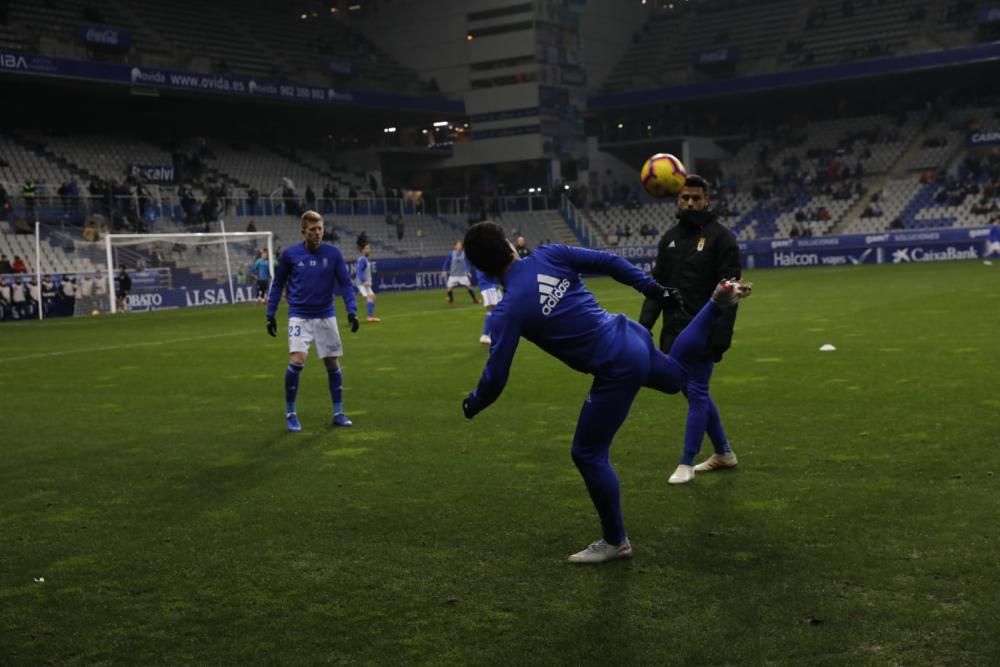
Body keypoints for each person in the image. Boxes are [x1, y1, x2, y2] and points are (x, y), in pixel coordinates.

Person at [461, 221, 751, 563]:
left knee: (587, 453)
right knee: (677, 377)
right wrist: (653, 289)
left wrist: (473, 403)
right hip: (629, 334)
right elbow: (609, 262)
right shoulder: (550, 254)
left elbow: (495, 379)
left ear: (481, 267)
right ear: (510, 244)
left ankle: (615, 541)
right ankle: (716, 302)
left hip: (616, 366)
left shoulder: (508, 312)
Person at [639, 175, 743, 485]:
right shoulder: (669, 238)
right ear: (677, 199)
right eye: (685, 198)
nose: (690, 203)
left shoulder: (722, 238)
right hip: (673, 332)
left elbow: (732, 290)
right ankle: (724, 453)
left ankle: (686, 461)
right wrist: (643, 328)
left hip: (704, 332)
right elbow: (656, 287)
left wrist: (721, 337)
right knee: (691, 392)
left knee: (697, 391)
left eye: (696, 198)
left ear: (707, 200)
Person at [266, 210, 360, 432]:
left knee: (332, 363)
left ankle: (338, 412)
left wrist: (352, 311)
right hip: (299, 315)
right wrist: (270, 313)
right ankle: (291, 412)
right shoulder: (291, 255)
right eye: (312, 230)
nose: (317, 233)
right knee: (297, 360)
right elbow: (278, 284)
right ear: (303, 231)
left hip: (326, 315)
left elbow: (346, 284)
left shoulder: (333, 254)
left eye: (320, 229)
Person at [441, 240, 479, 305]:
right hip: (453, 275)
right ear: (455, 246)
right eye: (458, 245)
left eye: (460, 245)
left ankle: (475, 300)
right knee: (449, 289)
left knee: (469, 287)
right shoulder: (451, 254)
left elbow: (467, 264)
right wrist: (444, 270)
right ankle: (451, 300)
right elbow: (446, 262)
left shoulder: (465, 254)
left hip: (463, 275)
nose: (460, 246)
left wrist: (468, 271)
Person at [473, 263, 502, 345]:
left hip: (493, 286)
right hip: (488, 286)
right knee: (492, 310)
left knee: (500, 309)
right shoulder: (482, 258)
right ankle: (485, 335)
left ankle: (498, 332)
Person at [356, 241, 380, 323]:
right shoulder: (362, 260)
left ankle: (369, 315)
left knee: (372, 297)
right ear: (362, 250)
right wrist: (364, 281)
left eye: (369, 248)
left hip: (364, 283)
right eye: (367, 248)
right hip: (363, 284)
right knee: (370, 297)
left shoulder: (364, 259)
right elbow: (359, 271)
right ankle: (370, 317)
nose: (369, 250)